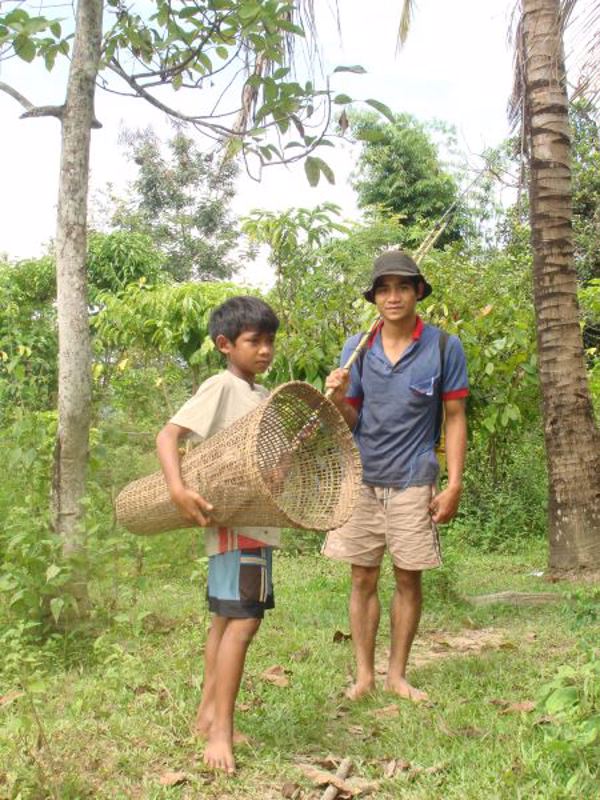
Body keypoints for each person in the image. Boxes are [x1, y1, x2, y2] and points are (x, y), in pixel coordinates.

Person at [324, 250, 468, 703]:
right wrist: (337, 398)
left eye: (402, 287)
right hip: (362, 479)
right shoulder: (357, 348)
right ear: (374, 298)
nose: (393, 296)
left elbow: (455, 416)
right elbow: (347, 421)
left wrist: (454, 483)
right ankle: (364, 676)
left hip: (414, 479)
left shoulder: (445, 347)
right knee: (362, 578)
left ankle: (397, 675)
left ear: (418, 292)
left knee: (409, 579)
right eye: (383, 288)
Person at [156, 295, 280, 774]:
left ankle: (208, 715)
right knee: (244, 623)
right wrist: (178, 488)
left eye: (270, 341)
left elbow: (270, 461)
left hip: (254, 524)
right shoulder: (223, 386)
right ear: (226, 345)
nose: (265, 350)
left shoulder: (259, 395)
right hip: (237, 526)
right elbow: (169, 436)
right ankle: (222, 733)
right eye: (254, 341)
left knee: (226, 622)